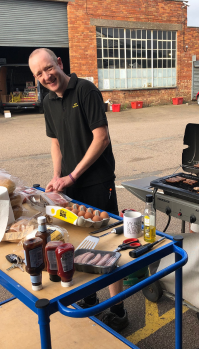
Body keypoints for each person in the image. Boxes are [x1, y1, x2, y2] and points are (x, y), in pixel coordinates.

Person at [28, 48, 128, 331]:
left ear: (59, 63)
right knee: (76, 242)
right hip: (70, 186)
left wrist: (71, 175)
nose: (46, 76)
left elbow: (102, 138)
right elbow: (56, 142)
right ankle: (89, 298)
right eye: (39, 74)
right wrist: (56, 176)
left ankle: (118, 309)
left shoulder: (85, 90)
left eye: (49, 68)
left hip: (96, 181)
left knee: (107, 245)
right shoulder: (48, 100)